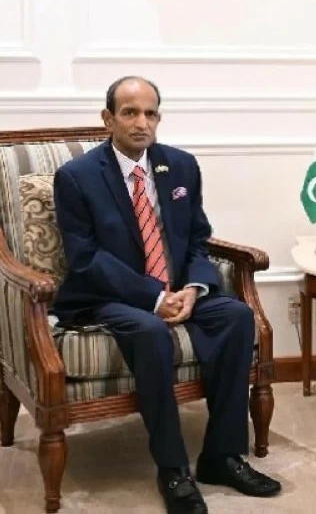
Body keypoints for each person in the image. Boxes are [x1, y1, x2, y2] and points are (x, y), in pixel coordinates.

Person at [52, 77, 281, 514]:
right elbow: (86, 259)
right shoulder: (77, 177)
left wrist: (193, 289)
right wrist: (155, 297)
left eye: (151, 113)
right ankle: (173, 469)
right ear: (108, 119)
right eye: (130, 112)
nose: (142, 122)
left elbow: (197, 239)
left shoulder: (180, 165)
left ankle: (222, 457)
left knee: (236, 316)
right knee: (150, 331)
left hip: (177, 288)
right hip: (109, 295)